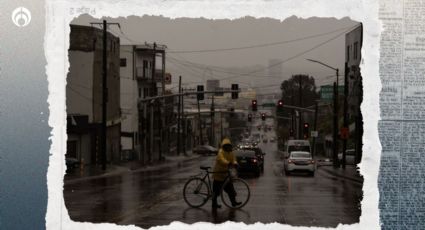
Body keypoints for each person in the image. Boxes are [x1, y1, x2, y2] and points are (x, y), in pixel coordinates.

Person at [212, 138, 242, 209]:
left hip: (225, 175)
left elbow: (234, 159)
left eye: (229, 145)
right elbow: (221, 159)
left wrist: (235, 164)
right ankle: (214, 204)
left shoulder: (231, 153)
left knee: (230, 190)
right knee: (216, 192)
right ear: (224, 146)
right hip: (218, 174)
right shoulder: (221, 152)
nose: (228, 147)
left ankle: (234, 202)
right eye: (226, 145)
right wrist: (228, 163)